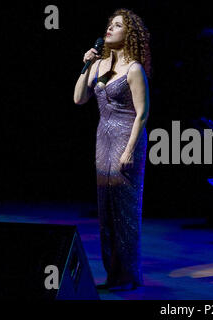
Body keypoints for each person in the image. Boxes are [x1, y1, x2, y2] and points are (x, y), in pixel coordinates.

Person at [73, 8, 151, 291]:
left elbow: (142, 114)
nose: (109, 29)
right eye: (109, 24)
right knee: (105, 210)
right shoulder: (98, 65)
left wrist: (130, 151)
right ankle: (112, 274)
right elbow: (79, 99)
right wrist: (85, 65)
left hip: (127, 138)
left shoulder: (134, 69)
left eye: (117, 26)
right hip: (103, 139)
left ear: (128, 35)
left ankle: (128, 276)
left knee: (124, 211)